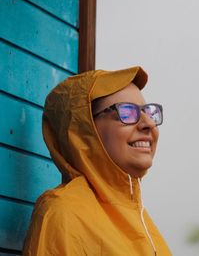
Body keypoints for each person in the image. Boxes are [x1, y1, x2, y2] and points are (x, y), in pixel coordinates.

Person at [23, 66, 172, 255]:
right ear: (85, 130)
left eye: (149, 112)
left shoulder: (144, 222)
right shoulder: (63, 213)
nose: (149, 123)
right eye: (127, 112)